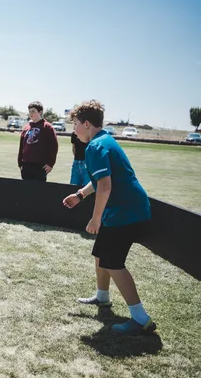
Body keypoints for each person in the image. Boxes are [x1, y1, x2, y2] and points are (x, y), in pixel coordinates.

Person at [63, 99, 156, 335]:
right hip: (127, 210)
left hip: (127, 212)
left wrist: (95, 219)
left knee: (113, 263)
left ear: (86, 123)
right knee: (101, 255)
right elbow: (98, 182)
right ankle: (102, 297)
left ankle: (140, 318)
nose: (73, 129)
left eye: (75, 124)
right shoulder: (104, 141)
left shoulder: (95, 147)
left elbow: (105, 186)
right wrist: (80, 194)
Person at [17, 101, 58, 182]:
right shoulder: (26, 128)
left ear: (40, 112)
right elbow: (22, 147)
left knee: (38, 192)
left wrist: (50, 163)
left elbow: (53, 146)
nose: (30, 113)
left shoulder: (47, 127)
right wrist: (20, 163)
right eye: (29, 111)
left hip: (40, 165)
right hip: (26, 165)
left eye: (33, 111)